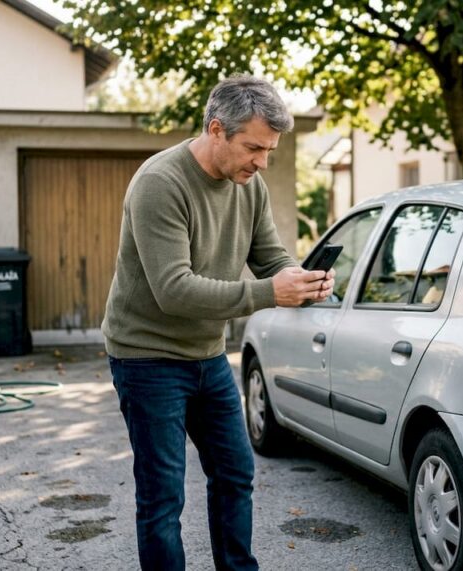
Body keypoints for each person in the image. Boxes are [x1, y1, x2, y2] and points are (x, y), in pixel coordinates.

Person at [103, 75, 335, 570]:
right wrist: (270, 293)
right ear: (216, 130)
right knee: (164, 498)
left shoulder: (248, 185)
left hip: (206, 356)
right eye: (254, 147)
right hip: (147, 357)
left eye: (270, 150)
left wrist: (302, 277)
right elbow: (175, 291)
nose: (262, 161)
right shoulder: (159, 184)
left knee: (234, 474)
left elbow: (270, 256)